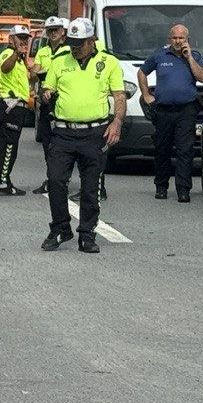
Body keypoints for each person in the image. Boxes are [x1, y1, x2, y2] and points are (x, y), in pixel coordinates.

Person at [40, 18, 126, 254]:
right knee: (56, 181)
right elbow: (48, 87)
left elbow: (119, 96)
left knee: (90, 187)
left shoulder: (108, 62)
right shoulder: (60, 61)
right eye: (72, 42)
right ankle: (60, 228)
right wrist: (47, 94)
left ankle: (87, 234)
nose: (75, 47)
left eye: (80, 43)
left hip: (95, 132)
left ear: (92, 41)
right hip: (63, 133)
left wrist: (117, 122)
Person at [138, 24, 203, 202]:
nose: (177, 41)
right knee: (162, 149)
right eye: (174, 38)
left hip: (186, 110)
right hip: (163, 110)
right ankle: (161, 186)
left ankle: (183, 190)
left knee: (185, 150)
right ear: (170, 39)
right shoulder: (160, 55)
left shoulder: (195, 56)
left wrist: (189, 57)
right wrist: (146, 94)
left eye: (181, 38)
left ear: (187, 40)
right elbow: (142, 72)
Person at [0, 23, 35, 195]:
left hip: (18, 107)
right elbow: (4, 67)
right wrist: (17, 53)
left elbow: (28, 78)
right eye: (21, 38)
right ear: (11, 39)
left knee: (9, 147)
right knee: (8, 147)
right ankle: (2, 184)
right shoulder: (8, 54)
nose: (24, 42)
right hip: (11, 106)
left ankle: (3, 181)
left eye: (26, 38)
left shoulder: (20, 60)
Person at [32, 17, 71, 196]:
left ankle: (64, 178)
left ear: (63, 31)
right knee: (48, 143)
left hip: (64, 102)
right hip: (47, 102)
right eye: (50, 30)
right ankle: (51, 178)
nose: (53, 33)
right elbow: (33, 73)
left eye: (56, 29)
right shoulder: (43, 51)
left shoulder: (69, 50)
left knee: (65, 143)